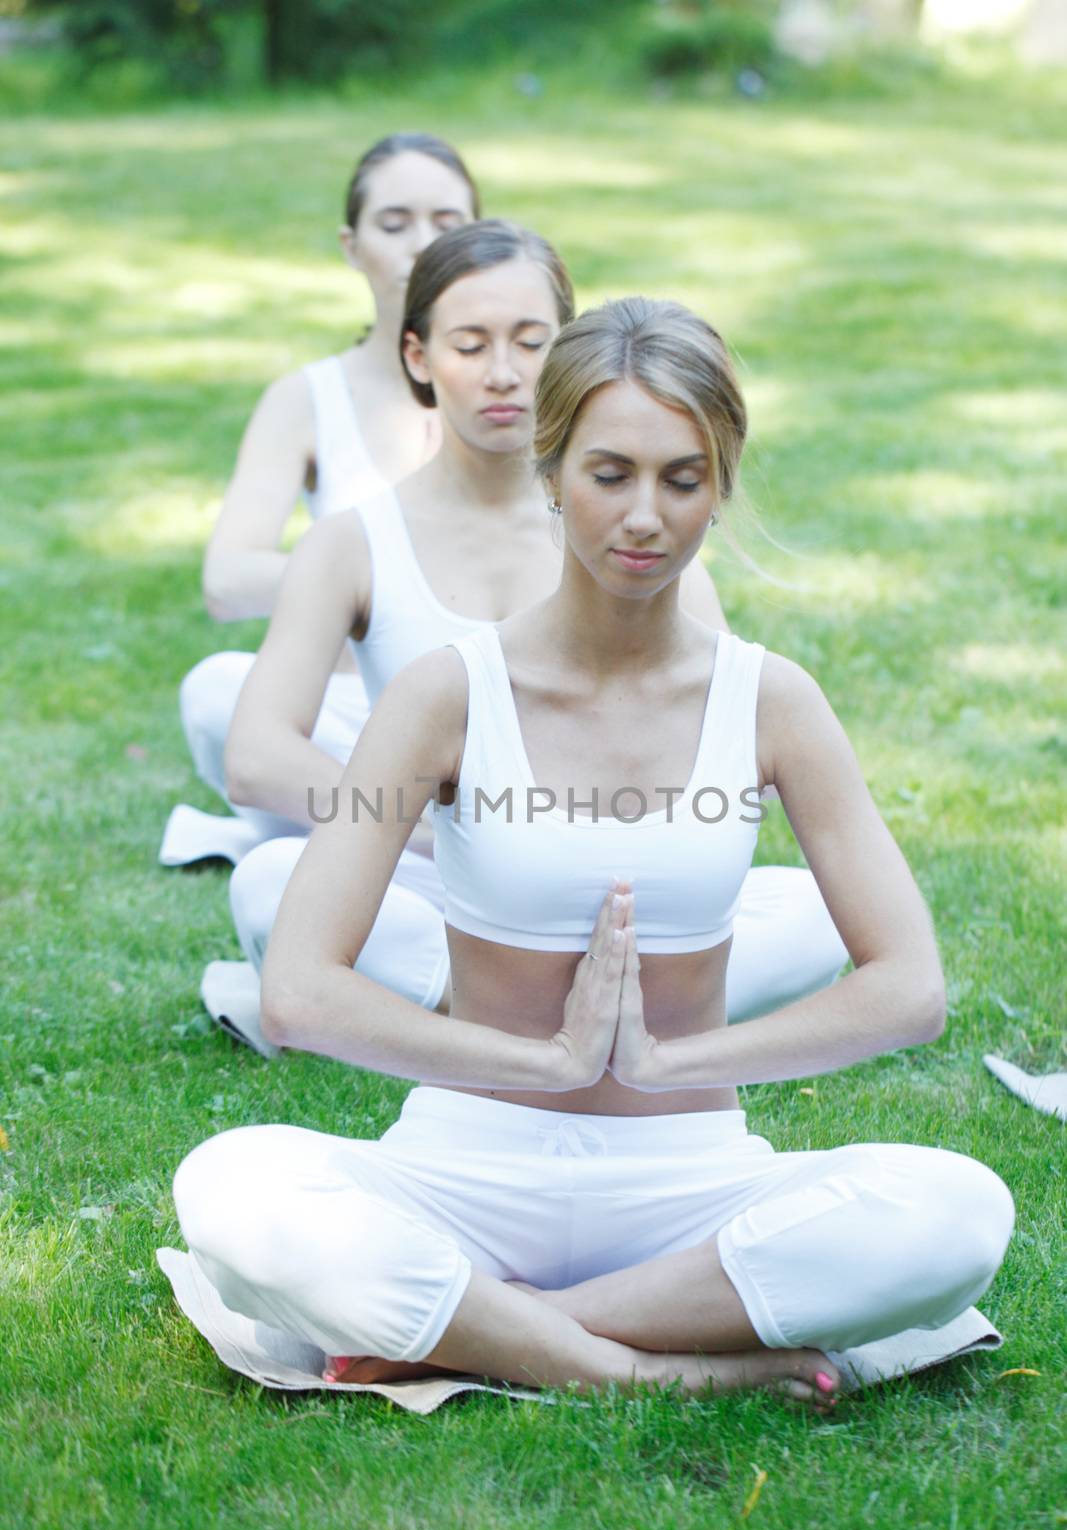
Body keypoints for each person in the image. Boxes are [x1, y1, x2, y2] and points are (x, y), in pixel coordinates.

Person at [172, 298, 1014, 1404]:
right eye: (609, 472)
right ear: (551, 467)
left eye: (682, 477)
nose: (644, 517)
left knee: (956, 1212)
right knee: (230, 1186)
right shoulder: (445, 696)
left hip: (688, 1180)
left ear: (720, 486)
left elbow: (908, 988)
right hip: (461, 1163)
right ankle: (647, 1374)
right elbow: (296, 990)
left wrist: (669, 1064)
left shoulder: (770, 701)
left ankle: (498, 1332)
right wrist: (549, 1064)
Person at [218, 225, 843, 1040]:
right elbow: (255, 754)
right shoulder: (353, 541)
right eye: (471, 345)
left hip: (627, 885)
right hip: (440, 881)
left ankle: (590, 1009)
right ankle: (535, 1017)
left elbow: (723, 726)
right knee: (268, 878)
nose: (504, 374)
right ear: (417, 358)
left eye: (530, 342)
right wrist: (433, 822)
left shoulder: (630, 527)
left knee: (813, 912)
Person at [160, 133, 480, 868]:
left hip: (486, 716)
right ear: (352, 245)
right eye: (393, 223)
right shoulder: (307, 397)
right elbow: (227, 579)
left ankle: (355, 852)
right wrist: (379, 580)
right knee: (218, 692)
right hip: (350, 709)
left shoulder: (517, 392)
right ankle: (413, 847)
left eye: (446, 222)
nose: (421, 245)